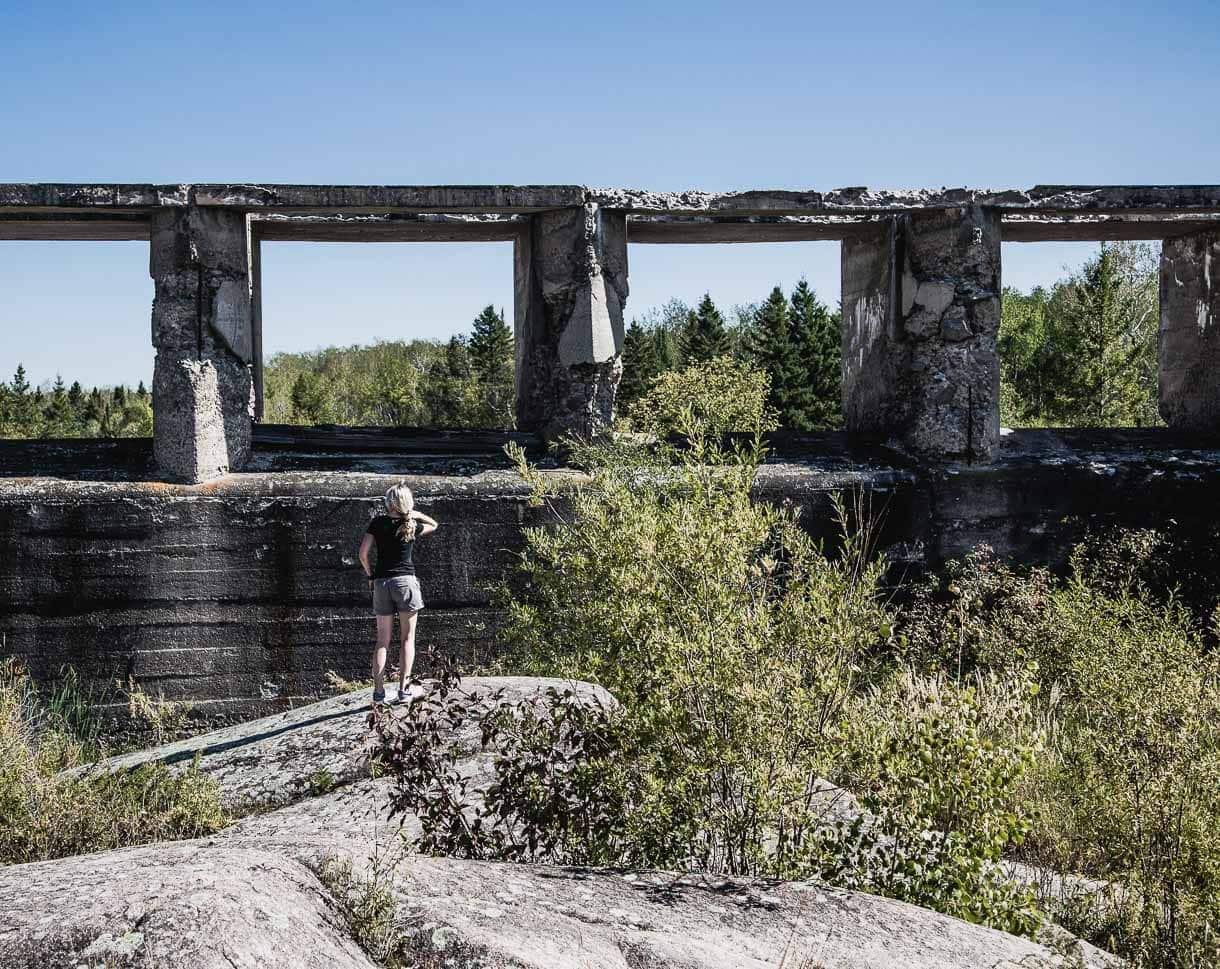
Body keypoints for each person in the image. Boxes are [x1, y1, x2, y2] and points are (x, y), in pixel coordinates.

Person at [358, 483, 439, 705]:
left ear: (389, 502)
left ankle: (378, 693)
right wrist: (416, 513)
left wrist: (371, 575)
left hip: (382, 583)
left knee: (382, 640)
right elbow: (434, 524)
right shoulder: (411, 524)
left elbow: (363, 554)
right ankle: (404, 691)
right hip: (406, 583)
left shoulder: (378, 523)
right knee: (407, 638)